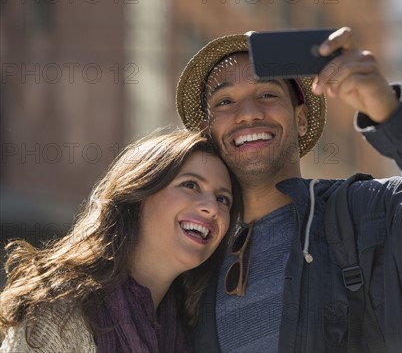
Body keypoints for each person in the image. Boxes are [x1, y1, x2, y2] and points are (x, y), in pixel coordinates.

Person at [176, 27, 402, 352]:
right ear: (209, 132)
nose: (248, 113)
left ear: (301, 119)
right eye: (225, 101)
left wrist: (390, 112)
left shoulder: (371, 215)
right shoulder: (194, 257)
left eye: (267, 94)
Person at [0, 130, 241, 352]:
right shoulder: (57, 311)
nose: (212, 208)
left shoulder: (194, 330)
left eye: (223, 199)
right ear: (138, 193)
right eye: (190, 185)